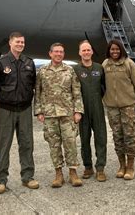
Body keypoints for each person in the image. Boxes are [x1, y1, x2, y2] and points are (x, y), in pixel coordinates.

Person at [0, 32, 39, 194]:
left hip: (24, 109)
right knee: (3, 146)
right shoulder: (0, 63)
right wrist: (1, 100)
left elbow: (33, 85)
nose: (20, 44)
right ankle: (1, 180)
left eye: (22, 42)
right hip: (5, 110)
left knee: (27, 144)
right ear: (10, 43)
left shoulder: (29, 63)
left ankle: (28, 177)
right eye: (17, 42)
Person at [35, 43, 84, 187]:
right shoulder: (43, 71)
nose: (58, 54)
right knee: (54, 145)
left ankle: (73, 173)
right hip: (49, 114)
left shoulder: (69, 70)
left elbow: (76, 91)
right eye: (56, 52)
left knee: (70, 143)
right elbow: (38, 92)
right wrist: (39, 111)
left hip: (67, 113)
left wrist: (78, 111)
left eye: (61, 52)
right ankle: (58, 174)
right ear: (50, 54)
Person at [102, 39, 135, 180]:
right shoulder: (105, 64)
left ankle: (130, 166)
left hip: (128, 106)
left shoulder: (129, 64)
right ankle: (121, 165)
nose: (114, 52)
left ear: (121, 50)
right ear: (109, 51)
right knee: (117, 137)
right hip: (112, 107)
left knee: (129, 136)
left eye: (117, 49)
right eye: (112, 49)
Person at [73, 40, 107, 182]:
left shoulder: (99, 68)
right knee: (84, 139)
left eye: (88, 50)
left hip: (97, 108)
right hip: (82, 109)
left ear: (92, 52)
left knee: (101, 137)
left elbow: (104, 87)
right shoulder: (75, 70)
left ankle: (100, 168)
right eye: (84, 50)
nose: (86, 52)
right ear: (80, 53)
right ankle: (88, 167)